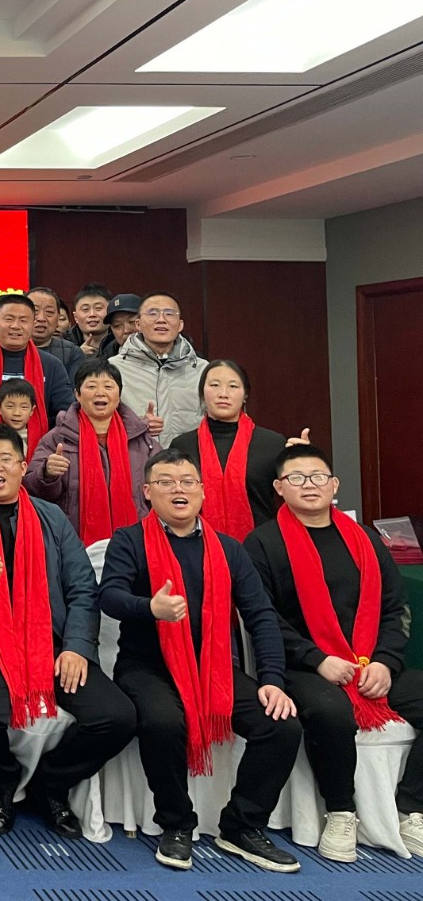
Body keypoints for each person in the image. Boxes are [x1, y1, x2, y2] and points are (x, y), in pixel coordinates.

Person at [99, 447, 302, 872]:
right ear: (147, 492)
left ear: (202, 491)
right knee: (163, 722)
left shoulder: (228, 549)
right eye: (166, 482)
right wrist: (149, 608)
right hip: (147, 667)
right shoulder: (129, 540)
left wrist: (272, 680)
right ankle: (176, 824)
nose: (179, 489)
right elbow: (110, 596)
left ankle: (242, 826)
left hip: (213, 668)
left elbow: (261, 616)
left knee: (280, 725)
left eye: (188, 482)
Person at [0, 424, 134, 838]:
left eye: (6, 459)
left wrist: (76, 647)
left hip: (49, 643)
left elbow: (82, 588)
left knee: (116, 717)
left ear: (23, 466)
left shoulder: (51, 517)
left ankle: (49, 785)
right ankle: (3, 781)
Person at [244, 444, 423, 862]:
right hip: (303, 667)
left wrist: (385, 662)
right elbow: (263, 619)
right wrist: (317, 659)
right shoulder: (262, 543)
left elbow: (396, 608)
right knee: (330, 711)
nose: (309, 485)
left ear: (335, 484)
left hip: (368, 663)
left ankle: (411, 807)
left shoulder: (365, 540)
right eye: (296, 478)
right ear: (279, 488)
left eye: (318, 476)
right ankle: (341, 812)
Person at [24, 359, 161, 543]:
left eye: (108, 386)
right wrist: (47, 474)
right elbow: (32, 490)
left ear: (119, 394)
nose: (100, 392)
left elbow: (162, 490)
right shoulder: (57, 439)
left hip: (137, 541)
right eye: (91, 386)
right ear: (77, 394)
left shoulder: (142, 440)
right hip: (72, 541)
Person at [169, 361, 308, 538]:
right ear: (202, 393)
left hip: (262, 544)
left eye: (233, 386)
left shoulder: (272, 443)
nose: (223, 393)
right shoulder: (182, 446)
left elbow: (297, 497)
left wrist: (306, 462)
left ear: (245, 395)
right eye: (214, 385)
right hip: (196, 544)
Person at [0, 294, 74, 437]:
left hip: (40, 446)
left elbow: (65, 411)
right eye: (9, 319)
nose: (15, 326)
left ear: (33, 324)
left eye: (23, 320)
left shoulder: (51, 365)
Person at [115, 293, 206, 447]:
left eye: (169, 314)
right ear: (138, 324)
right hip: (135, 457)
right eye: (152, 313)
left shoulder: (202, 369)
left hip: (188, 459)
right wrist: (137, 426)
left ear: (180, 325)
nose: (161, 319)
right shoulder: (114, 369)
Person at [27, 288, 85, 373]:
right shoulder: (8, 349)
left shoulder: (72, 353)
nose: (41, 318)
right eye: (35, 311)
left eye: (49, 312)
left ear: (58, 317)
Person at [0, 378, 41, 455]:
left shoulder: (41, 439)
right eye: (10, 406)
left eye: (24, 407)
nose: (17, 413)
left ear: (32, 410)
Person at [70, 285, 116, 359]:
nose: (92, 314)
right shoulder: (64, 346)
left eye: (98, 308)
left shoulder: (121, 343)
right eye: (85, 309)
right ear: (75, 317)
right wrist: (77, 356)